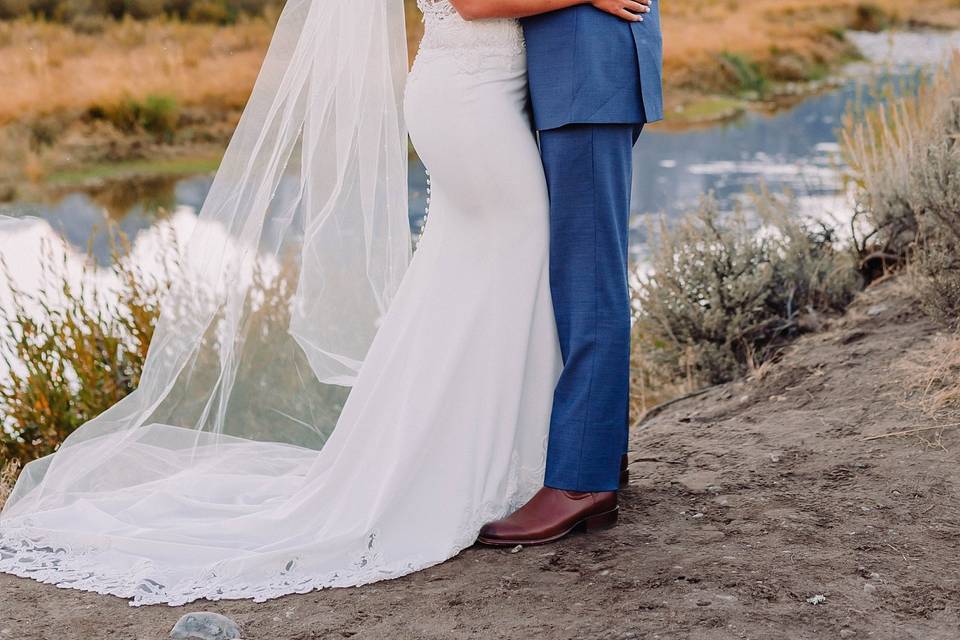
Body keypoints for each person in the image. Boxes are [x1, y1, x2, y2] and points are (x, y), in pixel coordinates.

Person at [0, 0, 658, 607]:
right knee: (533, 259)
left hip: (506, 88)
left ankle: (566, 457)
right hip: (473, 94)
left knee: (506, 272)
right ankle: (570, 464)